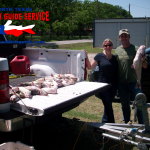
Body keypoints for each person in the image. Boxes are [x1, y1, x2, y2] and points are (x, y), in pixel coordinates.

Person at [115, 29, 148, 124]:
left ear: (129, 37)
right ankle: (127, 123)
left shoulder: (136, 49)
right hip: (121, 83)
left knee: (140, 105)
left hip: (134, 83)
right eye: (122, 36)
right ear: (120, 38)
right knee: (124, 105)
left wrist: (143, 59)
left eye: (126, 36)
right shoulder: (117, 50)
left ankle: (142, 125)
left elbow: (145, 66)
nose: (124, 38)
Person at [85, 38, 118, 123]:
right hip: (103, 86)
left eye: (109, 45)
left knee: (108, 104)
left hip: (113, 86)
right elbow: (90, 67)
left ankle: (104, 122)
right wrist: (86, 56)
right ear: (103, 46)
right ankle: (112, 124)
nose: (108, 47)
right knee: (108, 106)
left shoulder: (114, 58)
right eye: (106, 45)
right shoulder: (99, 56)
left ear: (112, 46)